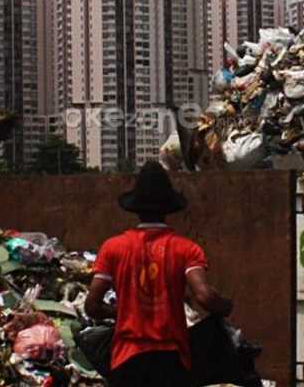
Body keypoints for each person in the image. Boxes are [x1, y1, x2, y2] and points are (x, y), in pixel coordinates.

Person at [84, 161, 233, 387]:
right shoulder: (186, 249)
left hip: (126, 359)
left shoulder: (113, 248)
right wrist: (226, 306)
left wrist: (123, 313)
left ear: (135, 208)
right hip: (172, 360)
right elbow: (205, 297)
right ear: (168, 208)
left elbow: (92, 306)